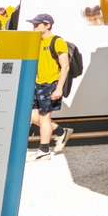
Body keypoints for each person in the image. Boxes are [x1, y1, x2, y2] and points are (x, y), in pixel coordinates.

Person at [27, 14, 73, 161]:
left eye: (37, 24)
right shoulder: (37, 42)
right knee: (32, 116)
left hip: (50, 84)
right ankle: (61, 131)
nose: (34, 27)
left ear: (47, 25)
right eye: (33, 24)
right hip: (38, 84)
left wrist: (59, 88)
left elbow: (65, 66)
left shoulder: (57, 41)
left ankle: (44, 151)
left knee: (44, 118)